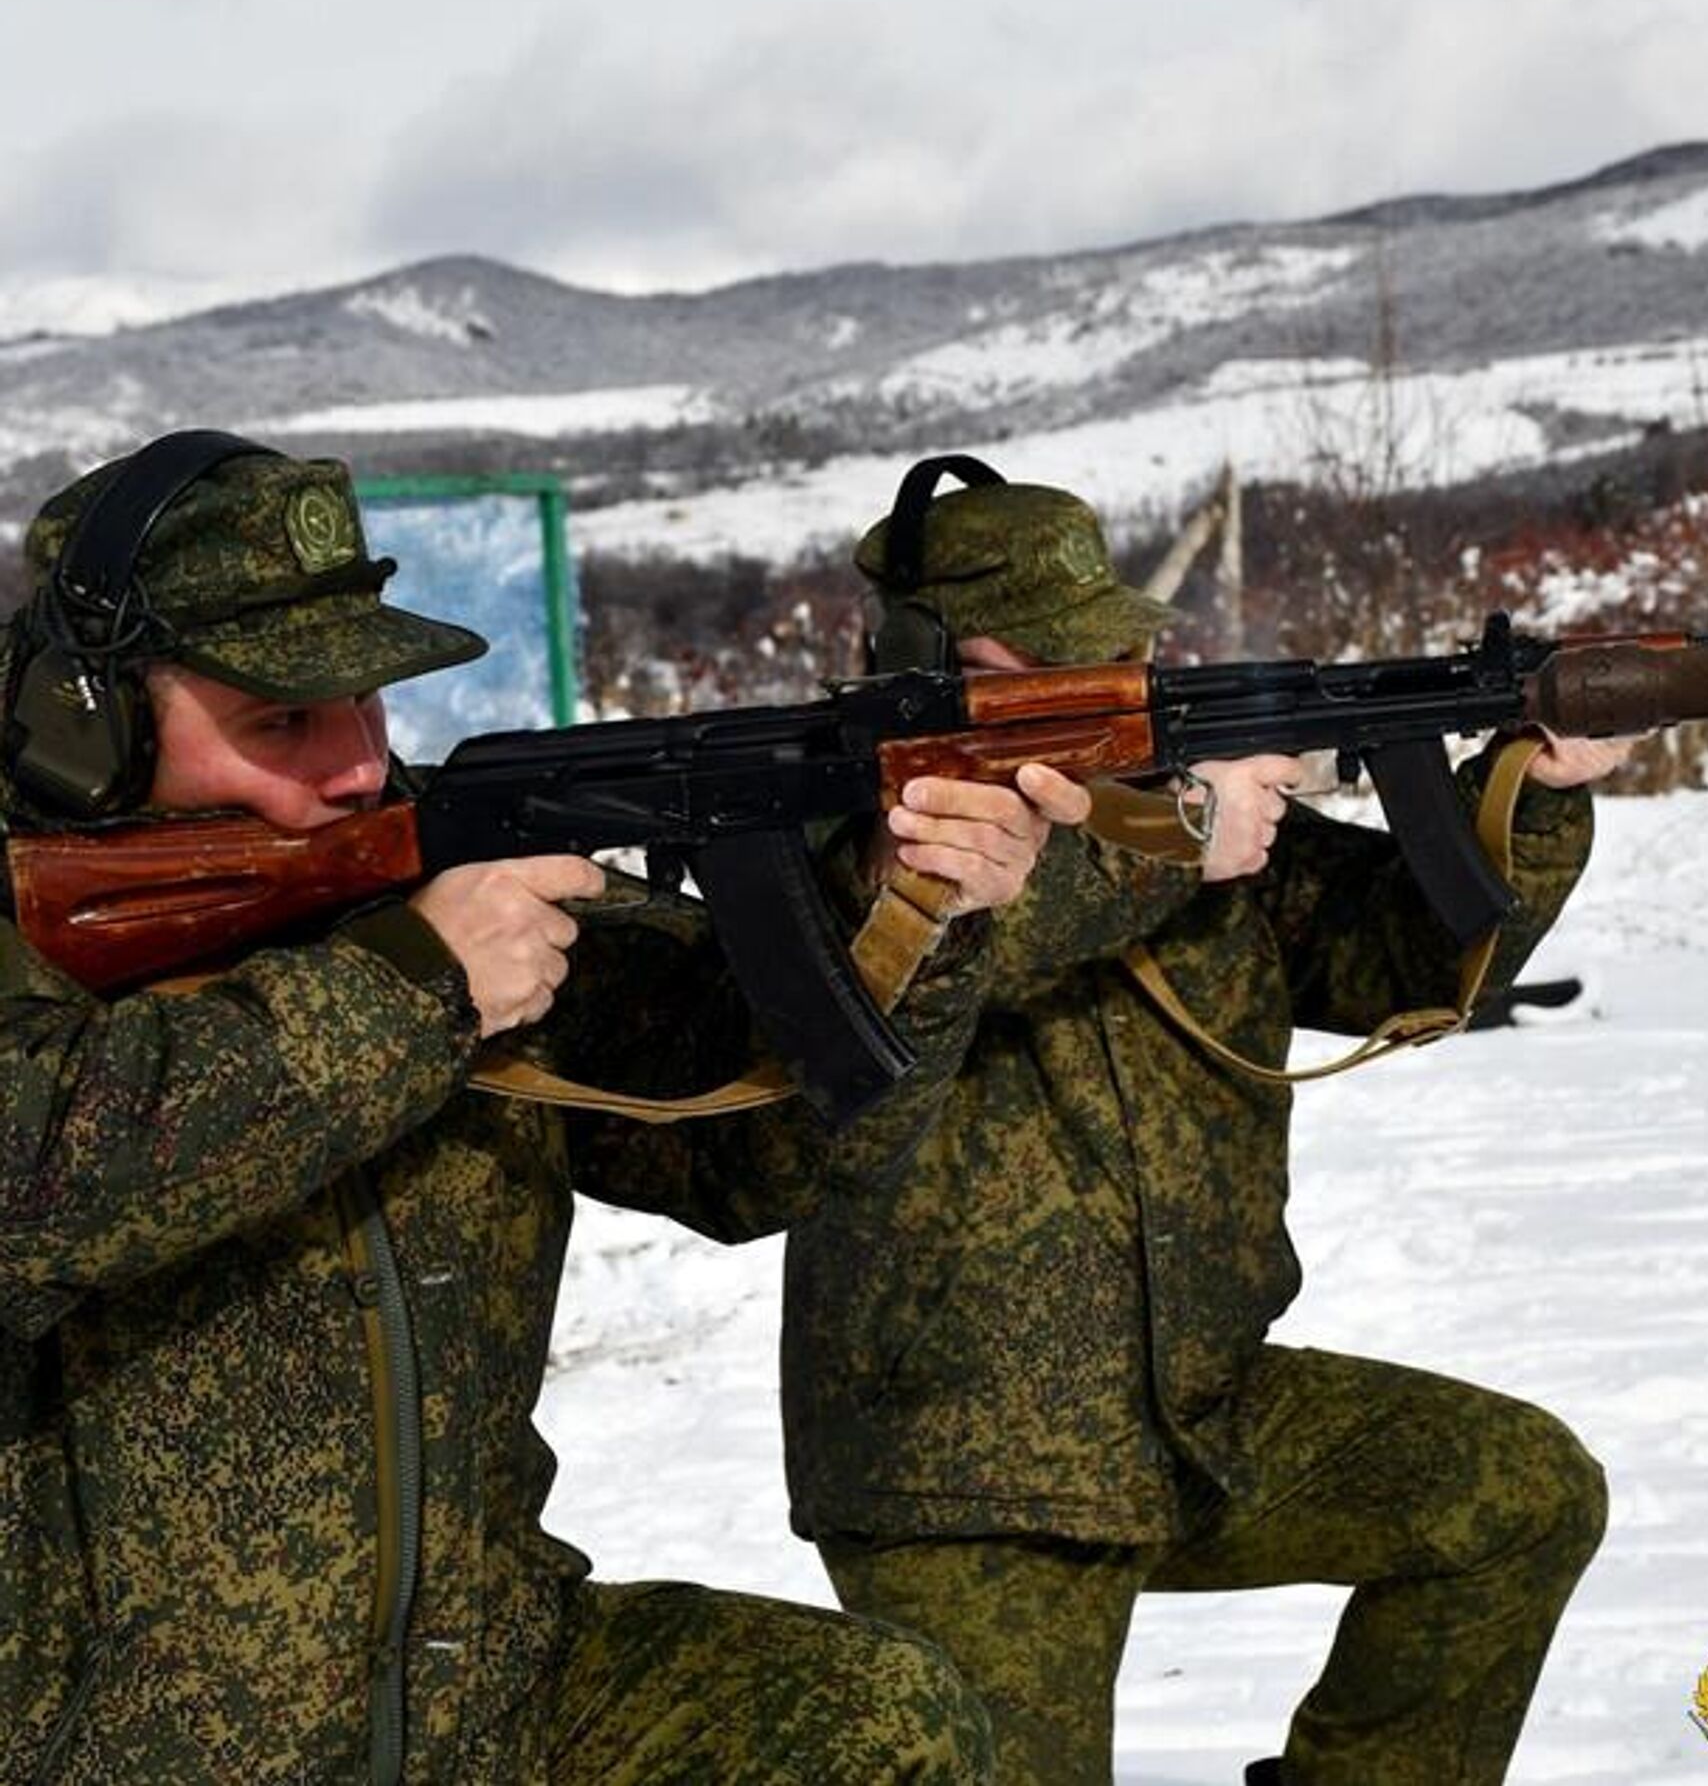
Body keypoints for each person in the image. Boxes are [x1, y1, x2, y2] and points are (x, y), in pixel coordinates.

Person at [0, 433, 1087, 1785]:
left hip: (480, 1692)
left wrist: (904, 908)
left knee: (875, 1726)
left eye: (371, 702)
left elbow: (756, 1150)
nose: (353, 765)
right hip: (121, 1741)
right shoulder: (61, 927)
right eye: (283, 718)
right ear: (82, 719)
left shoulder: (433, 873)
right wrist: (412, 993)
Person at [780, 472, 1632, 1786]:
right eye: (1049, 657)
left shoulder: (1167, 794)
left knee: (1518, 1496)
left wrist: (1538, 785)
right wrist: (1176, 835)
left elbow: (1410, 952)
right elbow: (959, 931)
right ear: (915, 661)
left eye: (1117, 647)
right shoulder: (844, 822)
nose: (1105, 676)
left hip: (1200, 1416)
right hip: (970, 1474)